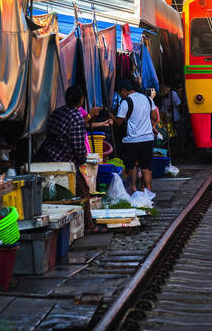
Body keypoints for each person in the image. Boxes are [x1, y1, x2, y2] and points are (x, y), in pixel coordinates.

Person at [36, 86, 102, 229]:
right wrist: (82, 161)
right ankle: (89, 226)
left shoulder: (57, 112)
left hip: (44, 156)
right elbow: (79, 147)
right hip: (63, 161)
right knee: (83, 191)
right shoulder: (76, 118)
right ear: (81, 100)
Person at [114, 80, 159, 192]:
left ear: (123, 91)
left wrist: (110, 115)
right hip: (148, 139)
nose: (121, 96)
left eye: (120, 94)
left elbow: (118, 122)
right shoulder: (147, 99)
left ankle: (133, 190)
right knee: (146, 168)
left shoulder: (126, 102)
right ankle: (148, 194)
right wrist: (152, 127)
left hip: (132, 141)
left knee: (131, 166)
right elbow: (155, 116)